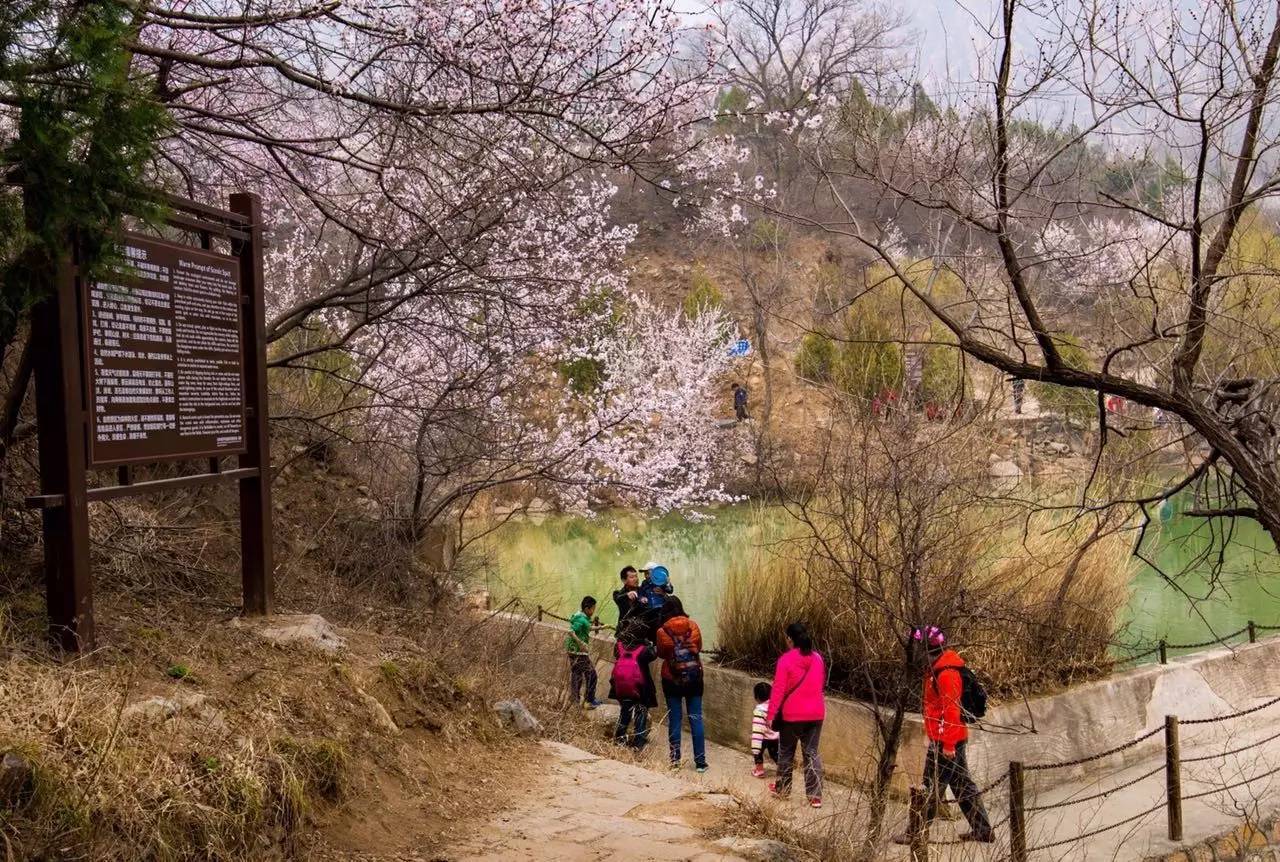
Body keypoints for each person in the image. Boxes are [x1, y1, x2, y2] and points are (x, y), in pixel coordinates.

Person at [894, 625, 994, 845]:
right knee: (962, 785)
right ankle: (983, 830)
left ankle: (915, 833)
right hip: (946, 737)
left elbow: (951, 710)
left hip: (948, 740)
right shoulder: (936, 670)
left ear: (928, 650)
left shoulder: (946, 673)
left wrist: (947, 744)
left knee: (930, 788)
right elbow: (934, 707)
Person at [765, 621, 826, 808]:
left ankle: (783, 789)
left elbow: (778, 690)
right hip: (816, 713)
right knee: (811, 753)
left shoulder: (785, 660)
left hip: (792, 715)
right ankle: (815, 796)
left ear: (789, 639)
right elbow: (820, 684)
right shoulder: (818, 658)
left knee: (786, 752)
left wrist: (770, 714)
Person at [655, 597, 707, 772]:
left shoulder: (662, 631)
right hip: (694, 678)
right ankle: (700, 763)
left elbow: (661, 654)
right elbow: (698, 648)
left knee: (675, 720)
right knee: (696, 718)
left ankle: (675, 761)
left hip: (672, 679)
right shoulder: (693, 626)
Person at [610, 621, 658, 749]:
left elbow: (616, 655)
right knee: (640, 714)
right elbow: (654, 654)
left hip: (622, 686)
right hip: (641, 688)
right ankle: (638, 744)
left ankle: (619, 741)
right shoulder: (644, 650)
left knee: (624, 713)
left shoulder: (619, 646)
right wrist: (649, 643)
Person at [565, 595, 601, 709]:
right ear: (587, 608)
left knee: (577, 675)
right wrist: (581, 644)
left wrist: (602, 627)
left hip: (572, 650)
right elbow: (571, 631)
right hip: (578, 652)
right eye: (592, 609)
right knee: (592, 674)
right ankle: (589, 701)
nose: (593, 611)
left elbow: (586, 628)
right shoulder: (581, 619)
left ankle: (575, 701)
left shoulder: (580, 616)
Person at [750, 681, 779, 779]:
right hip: (775, 737)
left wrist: (755, 745)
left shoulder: (759, 711)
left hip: (762, 738)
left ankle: (759, 770)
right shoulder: (775, 707)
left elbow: (758, 728)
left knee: (758, 753)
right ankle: (783, 770)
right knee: (775, 754)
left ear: (756, 697)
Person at [637, 562, 674, 637]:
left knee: (663, 629)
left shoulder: (661, 582)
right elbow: (640, 593)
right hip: (650, 610)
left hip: (662, 610)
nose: (646, 576)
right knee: (652, 630)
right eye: (645, 574)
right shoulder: (644, 583)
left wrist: (667, 583)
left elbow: (670, 590)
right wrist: (642, 598)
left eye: (648, 573)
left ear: (655, 573)